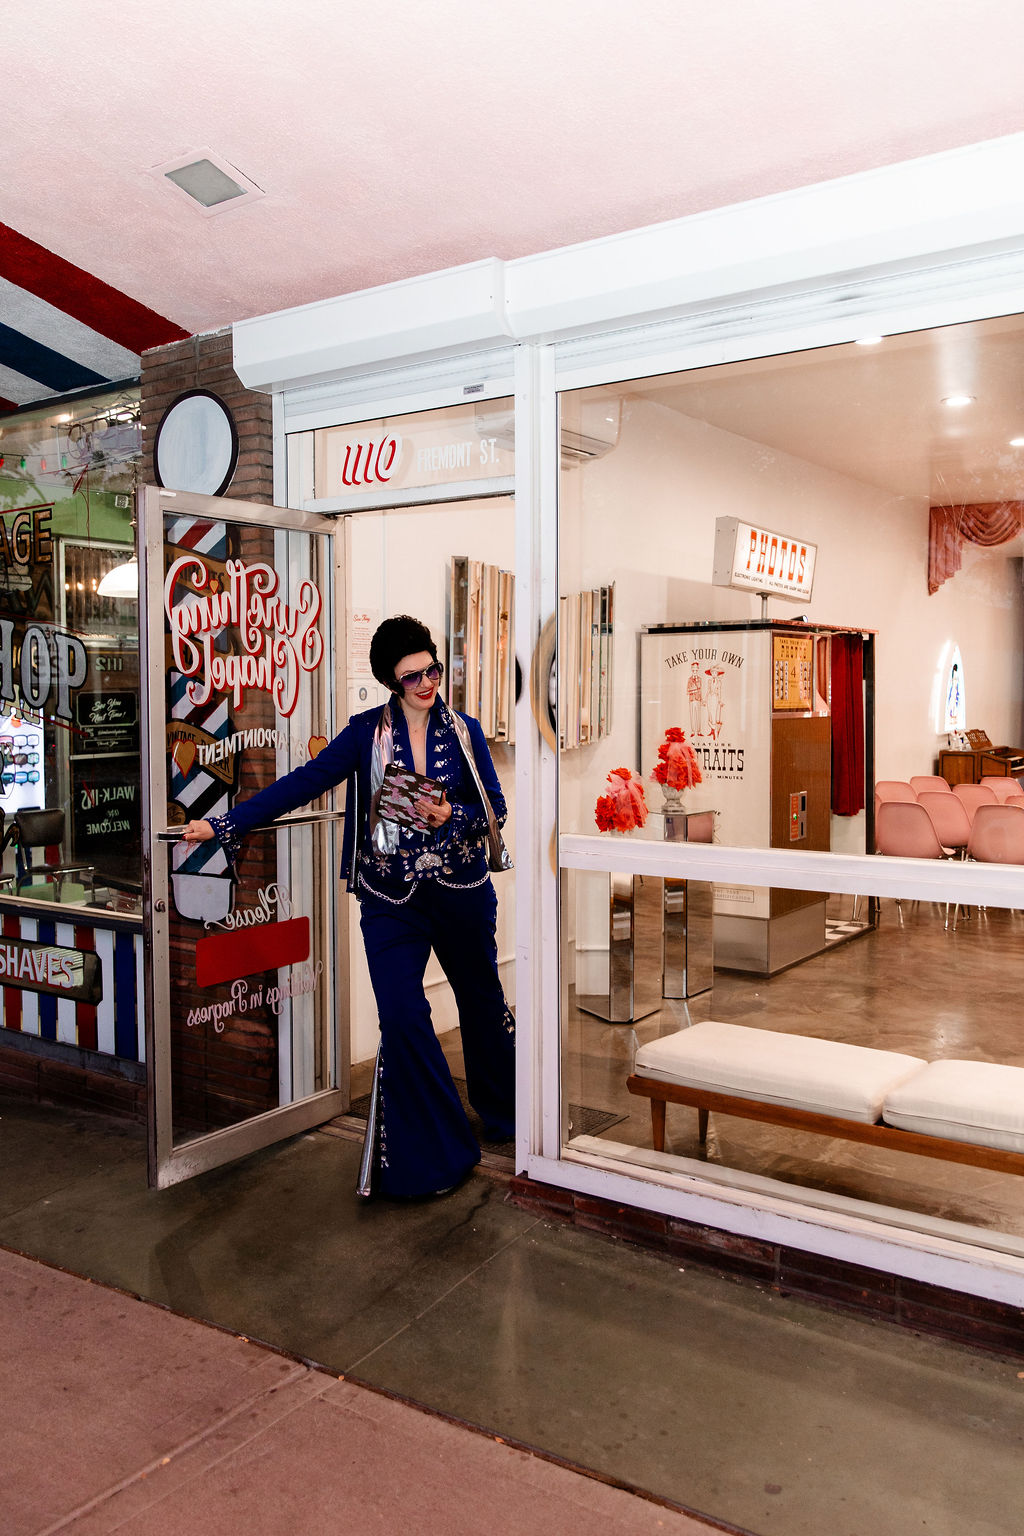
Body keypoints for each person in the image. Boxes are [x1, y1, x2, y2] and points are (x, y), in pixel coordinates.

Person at [180, 614, 515, 1200]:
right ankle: (441, 1144)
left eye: (431, 670)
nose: (426, 683)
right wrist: (226, 823)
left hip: (461, 892)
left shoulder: (465, 731)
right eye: (411, 676)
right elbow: (304, 782)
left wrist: (448, 815)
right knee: (403, 1014)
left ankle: (507, 1111)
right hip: (390, 898)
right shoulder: (365, 734)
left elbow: (496, 809)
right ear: (392, 680)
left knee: (482, 1005)